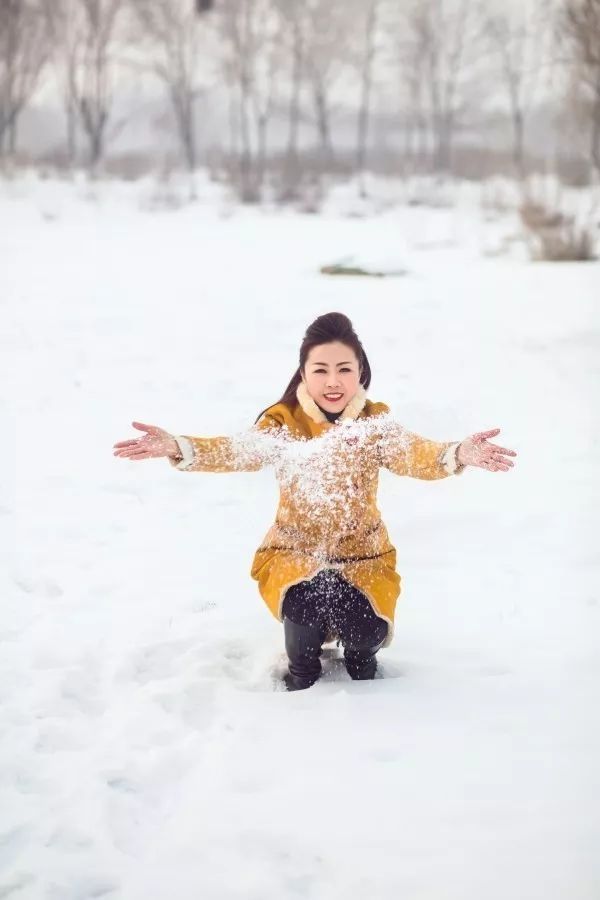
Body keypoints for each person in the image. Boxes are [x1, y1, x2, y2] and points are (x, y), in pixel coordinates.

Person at [113, 312, 517, 691]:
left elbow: (416, 454)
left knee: (363, 631)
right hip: (294, 553)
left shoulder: (374, 423)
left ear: (360, 372)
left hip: (365, 558)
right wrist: (179, 447)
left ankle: (365, 669)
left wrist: (458, 453)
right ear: (303, 373)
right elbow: (240, 450)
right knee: (307, 609)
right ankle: (300, 680)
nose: (333, 381)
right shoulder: (284, 422)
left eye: (344, 369)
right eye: (320, 370)